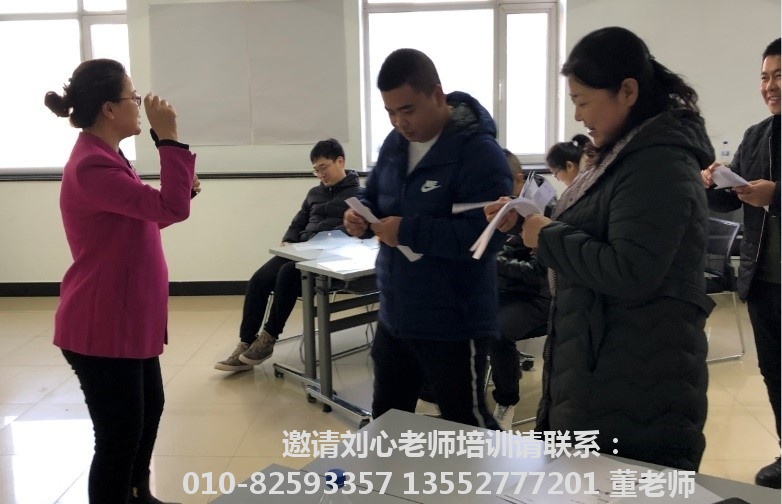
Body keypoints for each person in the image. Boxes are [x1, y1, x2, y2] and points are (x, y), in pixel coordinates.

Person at [488, 27, 714, 470]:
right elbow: (594, 229)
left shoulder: (659, 161)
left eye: (582, 101)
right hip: (601, 359)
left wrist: (546, 236)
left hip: (639, 374)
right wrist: (527, 221)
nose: (577, 116)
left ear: (627, 91)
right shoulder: (619, 152)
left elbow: (631, 269)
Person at [45, 59, 196, 504]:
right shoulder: (93, 165)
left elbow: (146, 218)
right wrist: (168, 136)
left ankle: (138, 494)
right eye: (132, 96)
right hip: (102, 324)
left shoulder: (107, 157)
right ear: (109, 109)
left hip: (126, 317)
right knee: (118, 437)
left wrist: (178, 189)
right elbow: (170, 209)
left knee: (147, 413)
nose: (139, 102)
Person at [343, 48, 511, 429]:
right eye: (390, 112)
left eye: (408, 110)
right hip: (397, 313)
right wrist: (360, 215)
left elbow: (485, 237)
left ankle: (486, 472)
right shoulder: (395, 144)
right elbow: (376, 195)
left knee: (466, 427)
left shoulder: (478, 153)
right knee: (387, 422)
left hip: (454, 320)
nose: (399, 122)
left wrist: (407, 231)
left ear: (437, 95)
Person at [701, 37, 781, 489]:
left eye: (779, 76)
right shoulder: (757, 135)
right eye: (764, 77)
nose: (769, 86)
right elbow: (734, 200)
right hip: (764, 280)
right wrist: (712, 183)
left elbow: (769, 195)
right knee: (774, 373)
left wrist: (777, 195)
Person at [215, 138, 360, 372]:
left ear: (340, 161)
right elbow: (299, 221)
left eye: (324, 167)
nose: (320, 174)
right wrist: (289, 239)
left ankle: (268, 338)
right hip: (301, 250)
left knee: (288, 273)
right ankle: (246, 341)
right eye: (316, 170)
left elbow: (355, 229)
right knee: (259, 279)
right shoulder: (314, 193)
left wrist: (327, 238)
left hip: (330, 255)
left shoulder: (358, 195)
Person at [489, 149, 551, 431]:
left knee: (497, 330)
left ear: (517, 180)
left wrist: (493, 261)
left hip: (535, 297)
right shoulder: (495, 209)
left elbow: (537, 273)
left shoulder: (541, 211)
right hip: (500, 290)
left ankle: (506, 400)